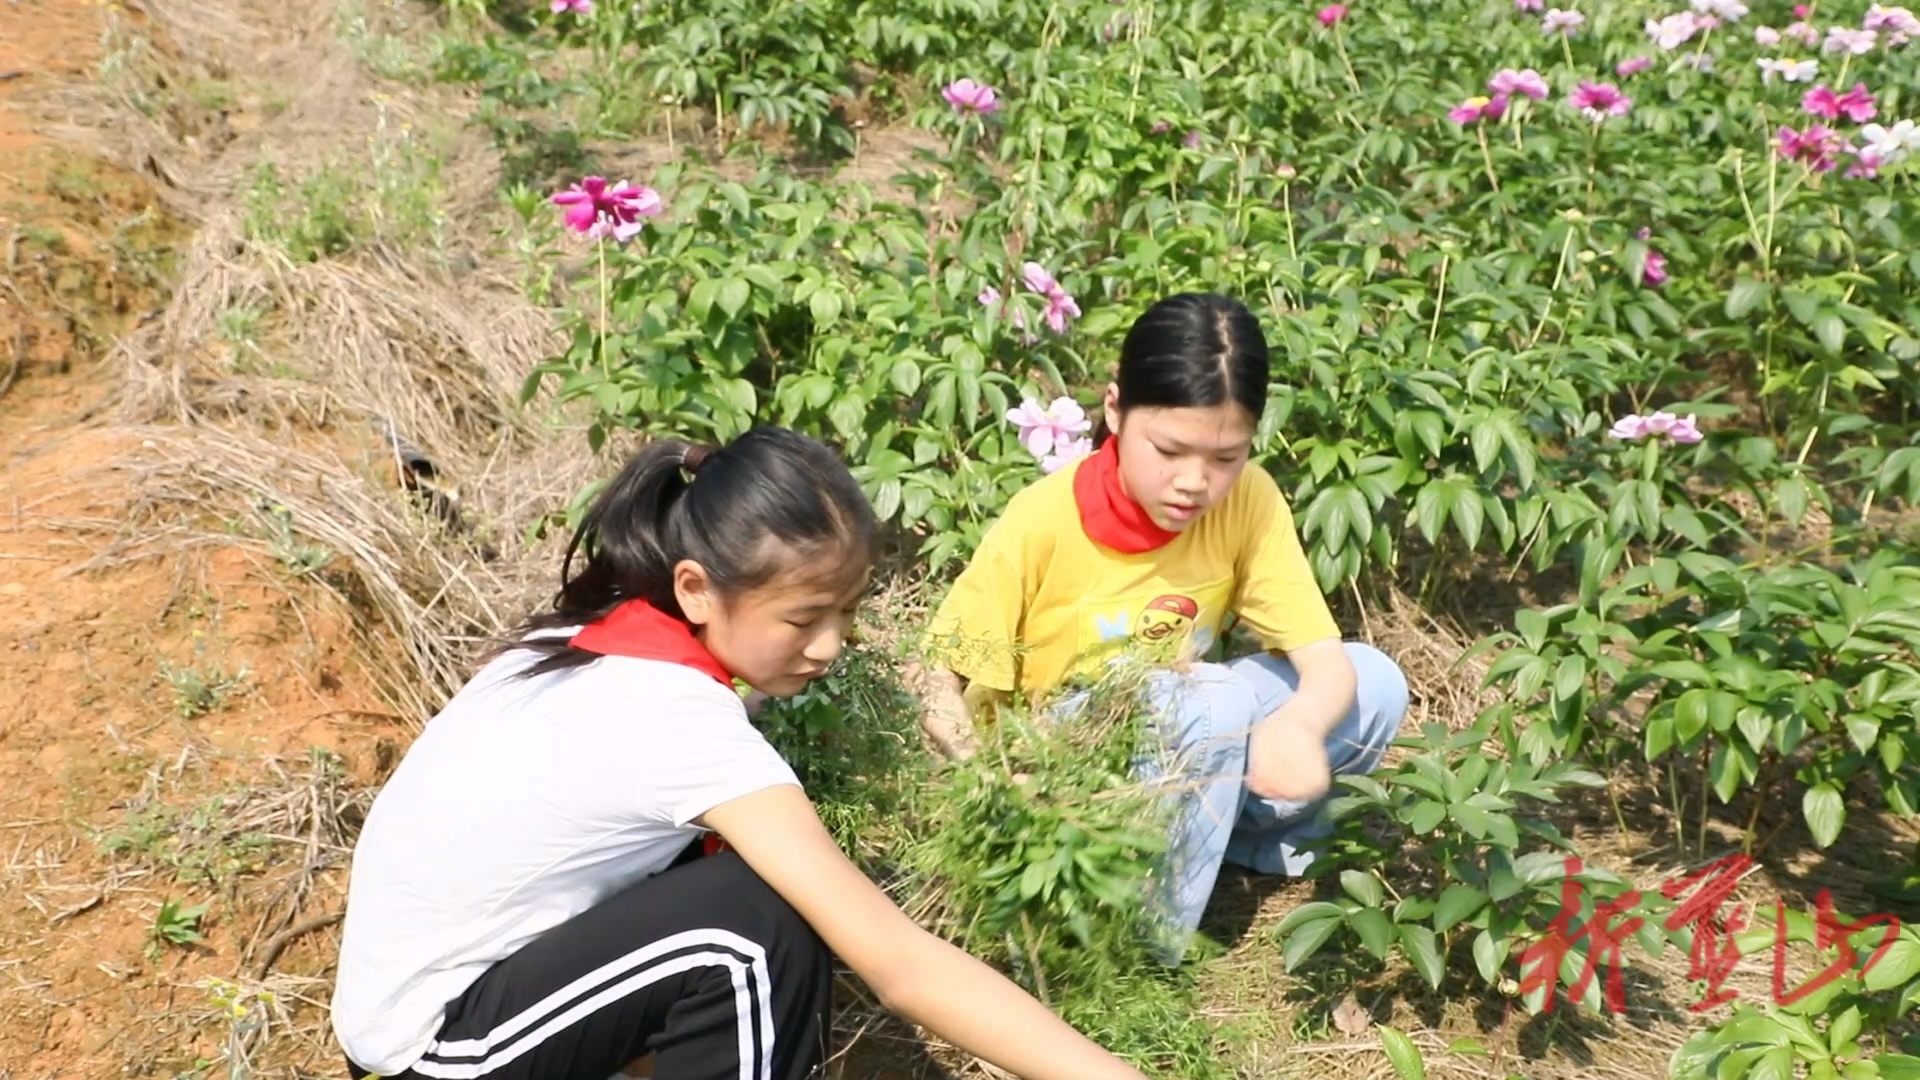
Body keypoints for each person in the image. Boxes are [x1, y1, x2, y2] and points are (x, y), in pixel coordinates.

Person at [330, 427, 1150, 1080]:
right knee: (750, 927)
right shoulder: (676, 721)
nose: (831, 647)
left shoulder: (603, 637)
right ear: (696, 587)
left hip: (459, 1011)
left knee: (736, 887)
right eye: (803, 620)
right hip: (437, 1054)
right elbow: (899, 964)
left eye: (847, 612)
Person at [914, 292, 1412, 964]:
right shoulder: (1042, 522)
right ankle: (1144, 947)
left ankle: (1239, 852)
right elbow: (935, 681)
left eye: (1226, 457)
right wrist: (998, 785)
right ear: (1115, 409)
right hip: (1066, 774)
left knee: (1374, 683)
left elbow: (1325, 662)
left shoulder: (1250, 501)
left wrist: (1295, 729)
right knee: (1212, 698)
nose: (1195, 482)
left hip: (1186, 741)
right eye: (1169, 450)